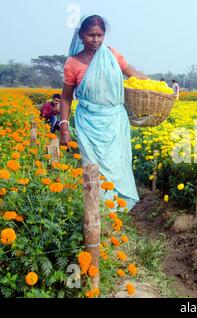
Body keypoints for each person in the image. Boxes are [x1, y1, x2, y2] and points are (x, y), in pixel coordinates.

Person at [59, 15, 147, 210]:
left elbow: (136, 75)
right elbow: (66, 97)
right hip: (88, 124)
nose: (96, 40)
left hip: (115, 123)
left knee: (118, 166)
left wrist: (160, 87)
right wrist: (64, 127)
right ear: (81, 35)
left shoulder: (112, 55)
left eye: (100, 35)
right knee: (92, 168)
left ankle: (118, 210)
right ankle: (97, 212)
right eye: (91, 35)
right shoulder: (72, 63)